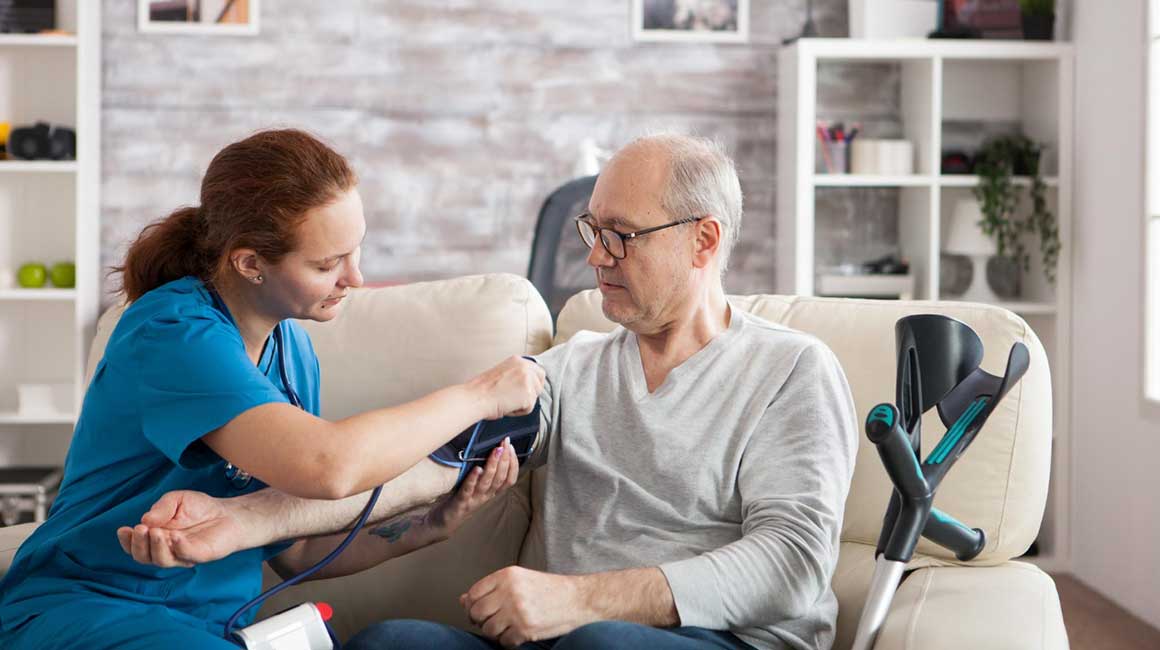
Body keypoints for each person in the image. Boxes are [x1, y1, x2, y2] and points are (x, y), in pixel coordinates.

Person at [119, 133, 858, 650]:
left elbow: (791, 563)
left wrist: (577, 600)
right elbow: (427, 469)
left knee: (603, 645)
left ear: (703, 240)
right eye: (592, 230)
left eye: (622, 236)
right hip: (558, 638)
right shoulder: (572, 370)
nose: (596, 258)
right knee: (389, 643)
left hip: (708, 640)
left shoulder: (790, 369)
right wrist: (242, 520)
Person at [0, 128, 544, 650]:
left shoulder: (292, 350)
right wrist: (481, 395)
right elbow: (329, 466)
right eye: (327, 264)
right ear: (250, 263)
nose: (354, 278)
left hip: (205, 631)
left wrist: (432, 525)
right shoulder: (173, 333)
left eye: (355, 251)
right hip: (90, 607)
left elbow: (296, 551)